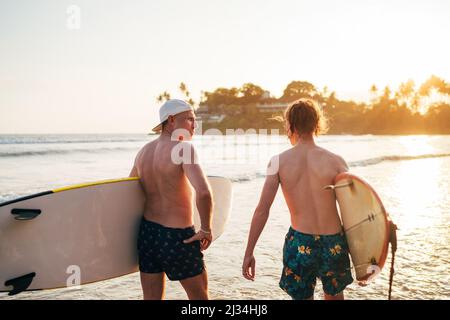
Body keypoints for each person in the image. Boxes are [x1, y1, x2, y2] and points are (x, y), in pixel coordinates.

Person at [242, 98, 353, 300]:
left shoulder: (278, 162)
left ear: (290, 125)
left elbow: (262, 210)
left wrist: (249, 251)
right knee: (335, 296)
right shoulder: (336, 161)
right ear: (317, 124)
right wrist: (365, 255)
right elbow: (353, 210)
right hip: (334, 241)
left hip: (301, 241)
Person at [130, 99, 213, 300]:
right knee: (199, 298)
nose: (194, 125)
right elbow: (203, 192)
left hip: (148, 235)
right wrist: (206, 229)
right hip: (178, 238)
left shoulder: (143, 152)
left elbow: (129, 192)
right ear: (172, 120)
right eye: (189, 120)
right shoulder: (184, 148)